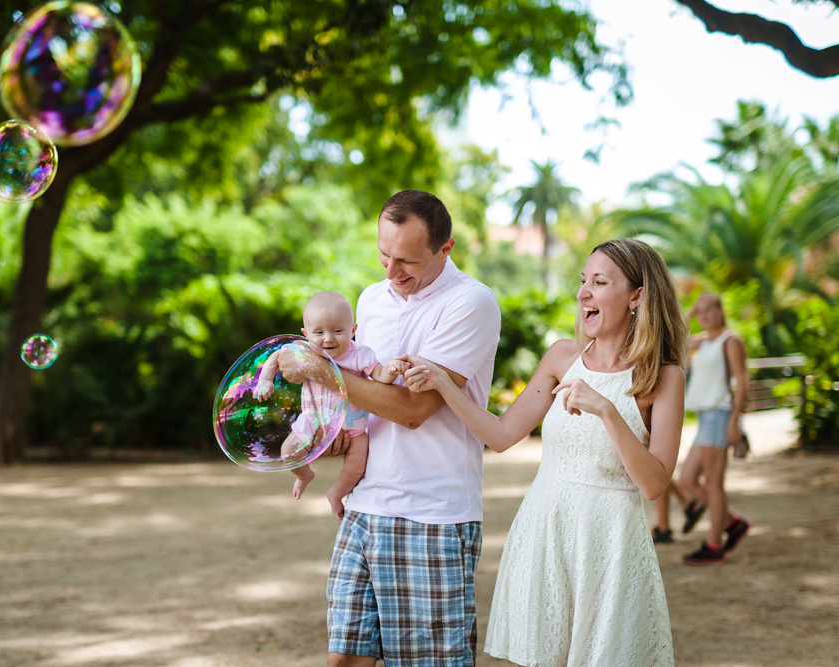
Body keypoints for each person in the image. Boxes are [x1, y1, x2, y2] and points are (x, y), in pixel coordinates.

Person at [402, 238, 686, 666]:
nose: (583, 293)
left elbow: (654, 484)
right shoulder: (561, 356)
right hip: (545, 531)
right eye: (583, 281)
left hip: (610, 544)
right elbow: (499, 435)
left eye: (600, 282)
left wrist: (606, 410)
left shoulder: (664, 377)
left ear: (637, 296)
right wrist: (443, 383)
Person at [321, 189, 501, 667]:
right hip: (365, 506)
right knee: (344, 661)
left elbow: (414, 409)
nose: (391, 272)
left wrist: (325, 376)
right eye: (383, 255)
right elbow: (365, 394)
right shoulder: (370, 300)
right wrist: (340, 430)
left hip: (433, 515)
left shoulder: (471, 302)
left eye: (407, 260)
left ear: (446, 248)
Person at [255, 291, 409, 519]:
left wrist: (391, 369)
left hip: (354, 427)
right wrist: (265, 380)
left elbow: (379, 375)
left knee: (357, 467)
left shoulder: (359, 355)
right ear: (306, 334)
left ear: (353, 330)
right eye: (319, 332)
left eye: (338, 331)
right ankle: (304, 476)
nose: (328, 339)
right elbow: (278, 356)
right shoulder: (304, 352)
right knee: (288, 453)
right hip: (313, 420)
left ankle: (336, 494)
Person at [676, 292, 752, 565]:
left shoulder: (730, 340)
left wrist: (735, 420)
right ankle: (733, 523)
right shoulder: (703, 341)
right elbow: (676, 339)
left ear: (721, 311)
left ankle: (714, 545)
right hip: (706, 417)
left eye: (710, 309)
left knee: (713, 485)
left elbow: (742, 380)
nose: (705, 315)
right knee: (687, 480)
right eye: (701, 311)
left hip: (720, 415)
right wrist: (690, 311)